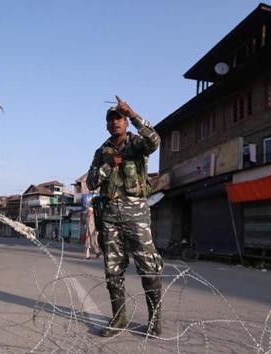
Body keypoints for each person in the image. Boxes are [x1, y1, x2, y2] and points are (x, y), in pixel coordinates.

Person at [86, 96, 163, 337]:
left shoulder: (137, 143)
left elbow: (155, 140)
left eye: (119, 119)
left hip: (136, 215)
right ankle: (119, 320)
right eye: (111, 120)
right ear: (107, 125)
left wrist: (132, 113)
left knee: (149, 267)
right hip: (109, 217)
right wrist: (109, 164)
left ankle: (154, 322)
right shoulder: (101, 152)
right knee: (113, 270)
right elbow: (90, 183)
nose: (115, 123)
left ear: (125, 123)